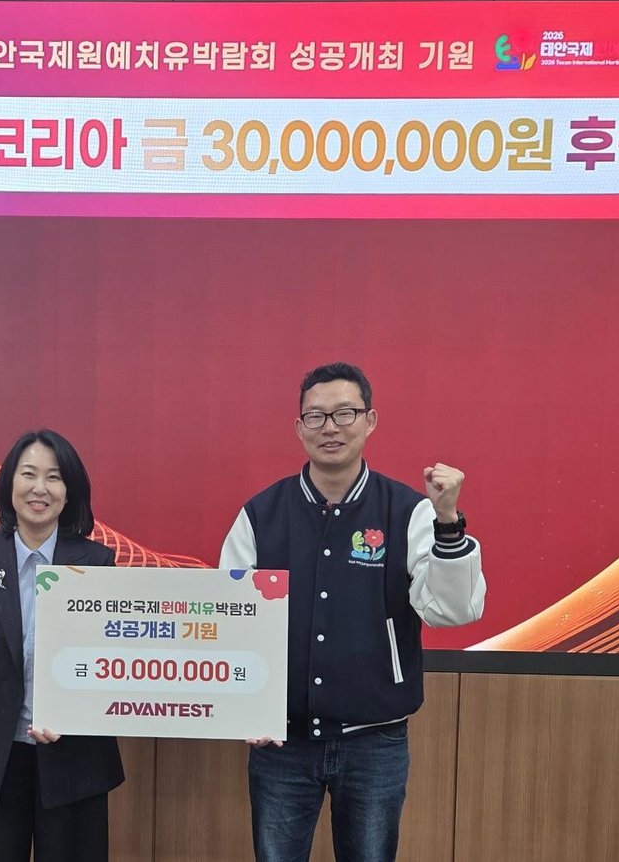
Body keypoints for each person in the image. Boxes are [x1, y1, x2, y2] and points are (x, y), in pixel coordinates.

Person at [219, 362, 486, 862]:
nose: (330, 427)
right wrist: (245, 707)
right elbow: (231, 623)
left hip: (374, 743)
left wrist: (448, 520)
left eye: (345, 413)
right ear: (299, 427)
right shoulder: (260, 515)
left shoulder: (409, 511)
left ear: (370, 420)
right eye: (316, 416)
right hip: (282, 744)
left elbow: (452, 611)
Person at [0, 429, 124, 862]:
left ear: (69, 491)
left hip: (73, 756)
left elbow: (108, 662)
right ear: (9, 484)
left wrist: (72, 713)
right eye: (28, 474)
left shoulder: (96, 562)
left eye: (53, 477)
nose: (39, 488)